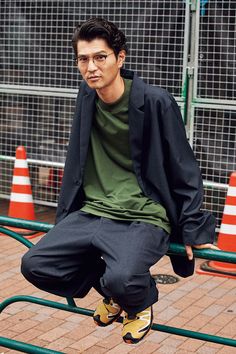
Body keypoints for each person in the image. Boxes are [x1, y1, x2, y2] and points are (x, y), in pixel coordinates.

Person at [21, 17, 218, 344]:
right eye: (84, 59)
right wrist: (66, 215)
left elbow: (183, 167)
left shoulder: (156, 101)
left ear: (120, 58)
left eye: (101, 57)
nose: (91, 67)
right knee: (35, 264)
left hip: (143, 214)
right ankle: (116, 293)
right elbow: (75, 157)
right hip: (93, 210)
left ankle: (138, 302)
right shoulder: (86, 96)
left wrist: (194, 227)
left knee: (124, 276)